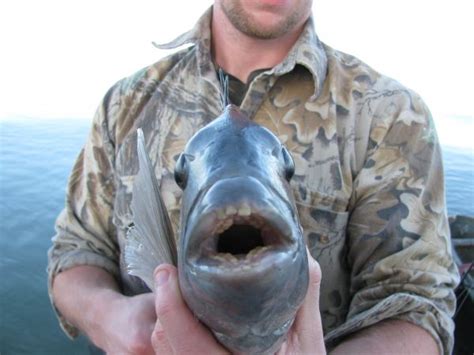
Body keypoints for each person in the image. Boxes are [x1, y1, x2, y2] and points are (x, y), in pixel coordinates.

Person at [48, 0, 459, 354]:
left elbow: (418, 304)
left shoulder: (391, 114)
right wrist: (111, 318)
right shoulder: (124, 103)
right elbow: (74, 252)